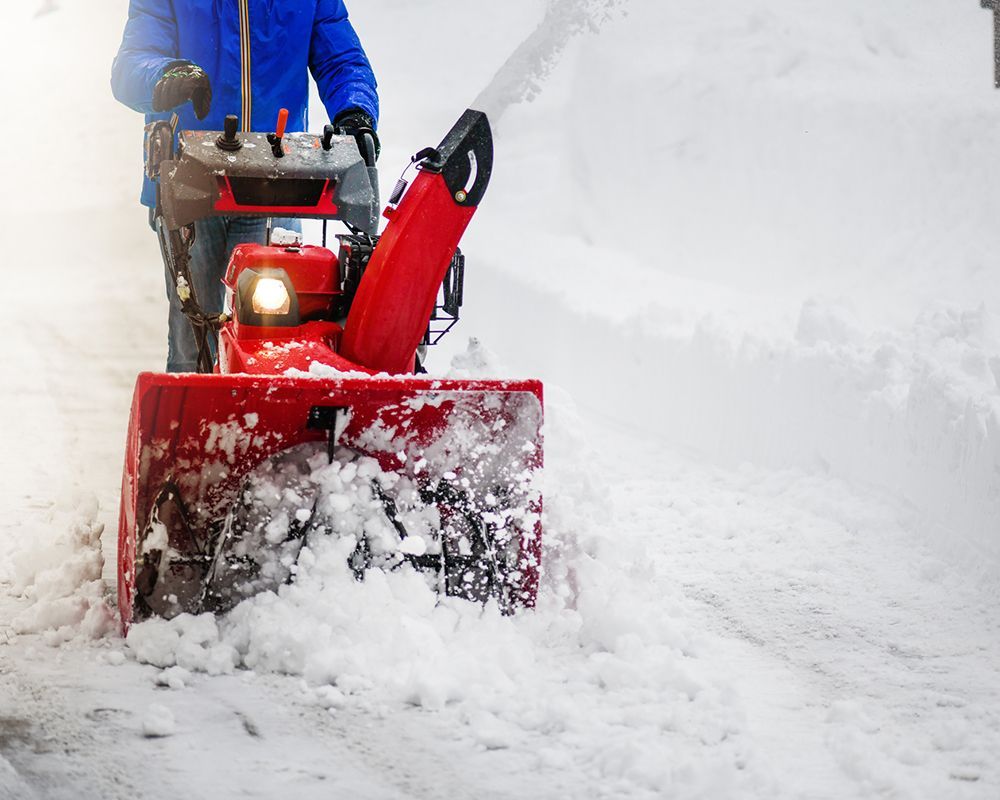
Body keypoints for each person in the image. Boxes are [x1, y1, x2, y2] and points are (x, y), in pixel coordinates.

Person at [111, 0, 379, 372]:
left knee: (277, 337)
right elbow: (132, 64)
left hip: (280, 183)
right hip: (190, 183)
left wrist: (355, 111)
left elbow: (342, 61)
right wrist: (167, 75)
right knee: (194, 340)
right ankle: (193, 425)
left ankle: (267, 423)